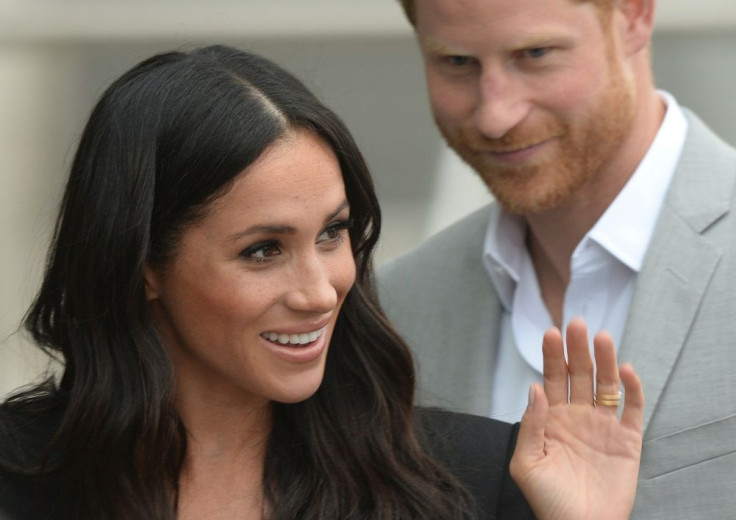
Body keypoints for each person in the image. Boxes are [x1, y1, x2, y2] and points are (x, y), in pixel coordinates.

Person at [0, 44, 644, 520]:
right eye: (262, 250)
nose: (320, 290)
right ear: (143, 265)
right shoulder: (17, 475)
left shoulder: (471, 479)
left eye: (332, 233)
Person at [376, 0, 736, 518]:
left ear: (634, 16)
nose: (496, 116)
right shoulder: (394, 308)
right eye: (457, 63)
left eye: (536, 54)